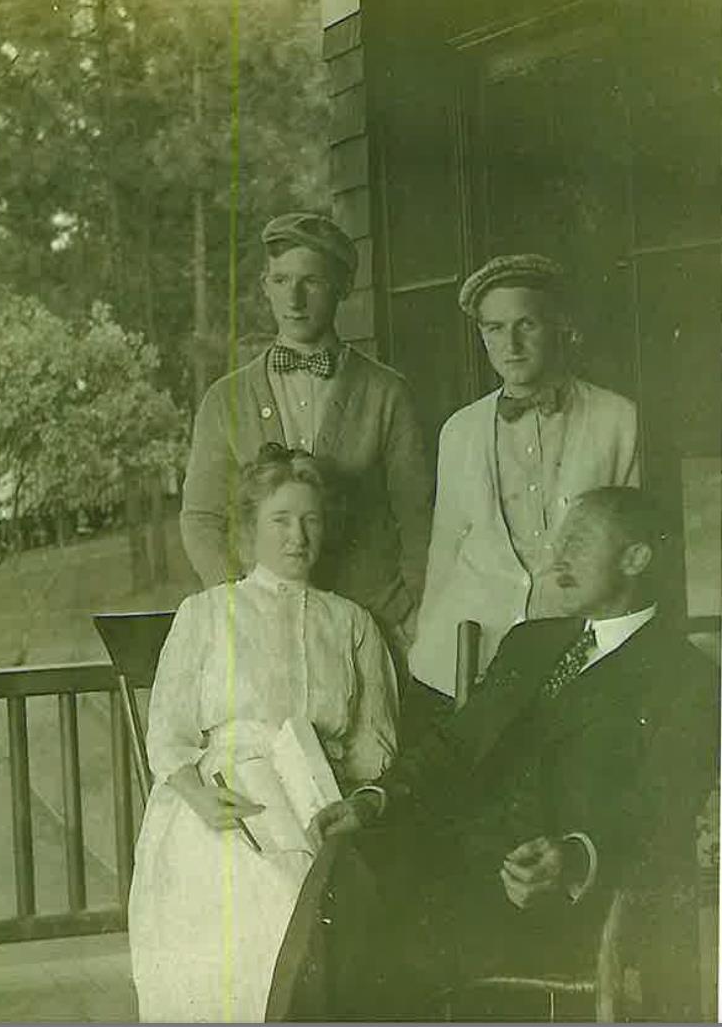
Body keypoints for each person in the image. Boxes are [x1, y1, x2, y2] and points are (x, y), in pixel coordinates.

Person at [273, 486, 718, 1020]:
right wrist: (374, 800)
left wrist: (574, 856)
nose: (558, 557)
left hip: (550, 897)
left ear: (635, 557)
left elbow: (658, 813)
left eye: (578, 541)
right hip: (459, 859)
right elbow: (453, 745)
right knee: (347, 862)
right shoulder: (531, 641)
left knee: (380, 945)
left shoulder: (687, 678)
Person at [129, 444, 398, 1023]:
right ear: (250, 529)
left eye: (311, 519)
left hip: (322, 802)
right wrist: (201, 798)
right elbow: (168, 732)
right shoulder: (205, 614)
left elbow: (375, 746)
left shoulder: (351, 622)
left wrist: (350, 798)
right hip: (223, 804)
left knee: (335, 912)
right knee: (269, 906)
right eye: (280, 520)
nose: (297, 536)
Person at [180, 212, 431, 673]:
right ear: (265, 285)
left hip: (371, 630)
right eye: (281, 280)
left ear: (341, 288)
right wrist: (244, 605)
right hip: (262, 641)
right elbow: (201, 519)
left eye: (311, 282)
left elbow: (419, 519)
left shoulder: (386, 393)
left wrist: (407, 610)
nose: (293, 299)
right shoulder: (225, 400)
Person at [410, 253, 640, 699]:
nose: (510, 344)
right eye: (494, 329)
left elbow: (632, 547)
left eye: (527, 325)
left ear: (559, 326)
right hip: (473, 649)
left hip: (574, 645)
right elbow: (445, 550)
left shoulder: (618, 420)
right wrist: (427, 644)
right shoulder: (460, 430)